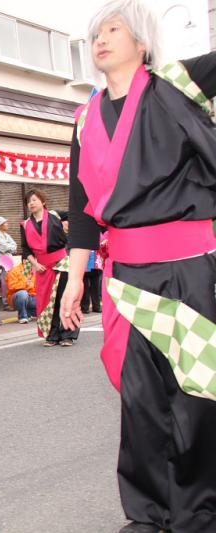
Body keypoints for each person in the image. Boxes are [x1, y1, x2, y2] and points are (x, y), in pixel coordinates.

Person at [60, 2, 216, 531]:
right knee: (141, 403)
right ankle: (146, 513)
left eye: (114, 29)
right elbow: (81, 210)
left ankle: (197, 512)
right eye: (95, 33)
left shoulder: (175, 84)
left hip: (188, 268)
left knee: (194, 397)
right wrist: (74, 278)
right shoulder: (83, 118)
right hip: (125, 276)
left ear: (142, 42)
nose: (101, 39)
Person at [20, 189, 78, 347]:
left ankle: (68, 334)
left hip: (61, 262)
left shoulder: (55, 215)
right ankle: (52, 335)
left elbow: (77, 215)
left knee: (64, 298)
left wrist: (70, 234)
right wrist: (35, 264)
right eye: (29, 201)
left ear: (43, 202)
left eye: (34, 200)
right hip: (42, 266)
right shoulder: (25, 224)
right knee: (46, 301)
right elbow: (26, 249)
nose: (31, 203)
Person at [0, 216, 17, 308]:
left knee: (11, 279)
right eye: (5, 223)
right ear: (0, 225)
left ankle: (11, 300)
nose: (7, 224)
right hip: (2, 260)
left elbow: (15, 246)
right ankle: (6, 302)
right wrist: (9, 247)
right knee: (4, 281)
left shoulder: (7, 235)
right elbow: (3, 248)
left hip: (8, 259)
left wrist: (9, 247)